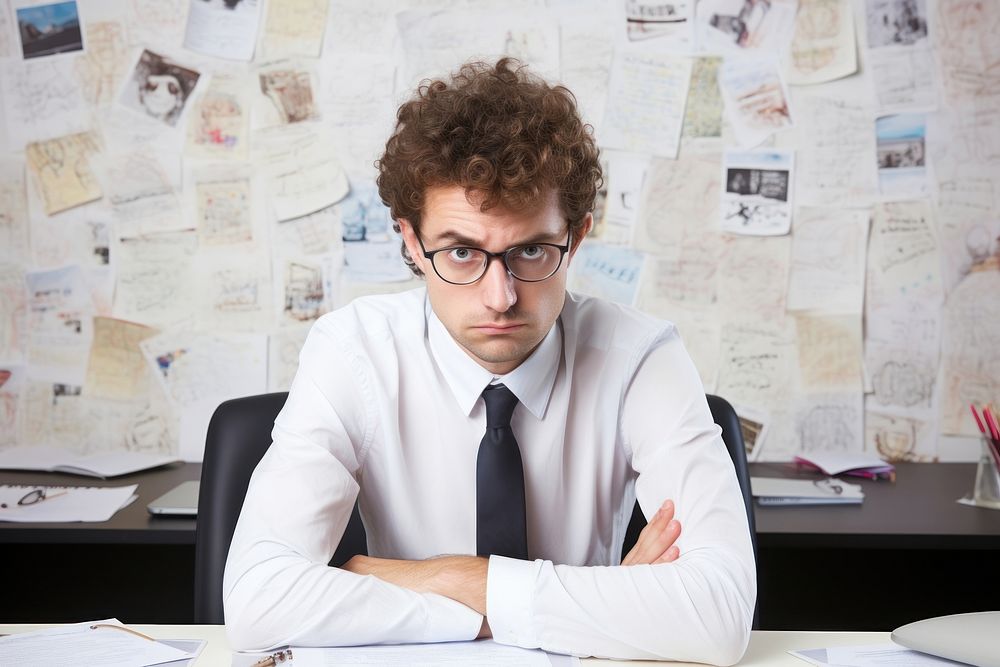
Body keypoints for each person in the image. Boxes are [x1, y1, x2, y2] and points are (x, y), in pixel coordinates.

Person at [224, 58, 755, 663]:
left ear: (576, 237)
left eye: (530, 250)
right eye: (460, 252)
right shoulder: (353, 353)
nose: (499, 297)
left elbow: (720, 615)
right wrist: (610, 606)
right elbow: (255, 602)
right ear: (410, 242)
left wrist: (448, 580)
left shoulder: (641, 357)